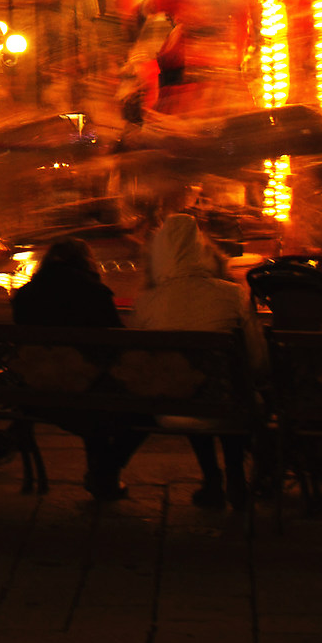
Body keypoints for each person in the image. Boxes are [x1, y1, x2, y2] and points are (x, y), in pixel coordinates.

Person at [129, 212, 265, 509]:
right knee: (226, 388)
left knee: (187, 382)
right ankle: (237, 480)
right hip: (228, 406)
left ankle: (212, 480)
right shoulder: (232, 294)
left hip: (171, 407)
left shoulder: (147, 302)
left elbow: (137, 358)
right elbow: (257, 357)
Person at [13, 239, 147, 500]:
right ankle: (106, 472)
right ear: (86, 262)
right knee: (144, 409)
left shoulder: (25, 294)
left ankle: (103, 475)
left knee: (90, 391)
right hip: (85, 390)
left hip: (37, 389)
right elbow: (116, 345)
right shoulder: (95, 292)